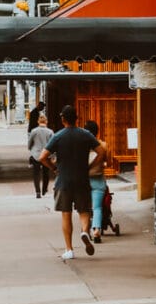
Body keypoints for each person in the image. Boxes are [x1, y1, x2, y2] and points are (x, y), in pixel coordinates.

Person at [39, 104, 105, 261]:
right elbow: (102, 152)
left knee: (66, 214)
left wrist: (54, 168)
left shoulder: (58, 136)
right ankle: (85, 232)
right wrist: (90, 166)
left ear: (63, 119)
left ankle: (69, 249)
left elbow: (42, 157)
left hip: (64, 181)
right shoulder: (85, 134)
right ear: (77, 118)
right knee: (84, 211)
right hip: (82, 180)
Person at [83, 120, 108, 243]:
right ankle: (97, 229)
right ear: (97, 132)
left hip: (84, 180)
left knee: (86, 208)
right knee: (97, 207)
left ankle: (85, 230)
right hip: (98, 179)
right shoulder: (103, 145)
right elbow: (106, 160)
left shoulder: (81, 145)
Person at [28, 113, 54, 198]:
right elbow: (53, 144)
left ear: (38, 121)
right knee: (46, 173)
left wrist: (31, 149)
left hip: (36, 155)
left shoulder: (34, 131)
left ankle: (38, 192)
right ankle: (44, 189)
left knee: (36, 173)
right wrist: (52, 155)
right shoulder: (50, 132)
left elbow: (30, 143)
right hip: (46, 155)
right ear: (46, 121)